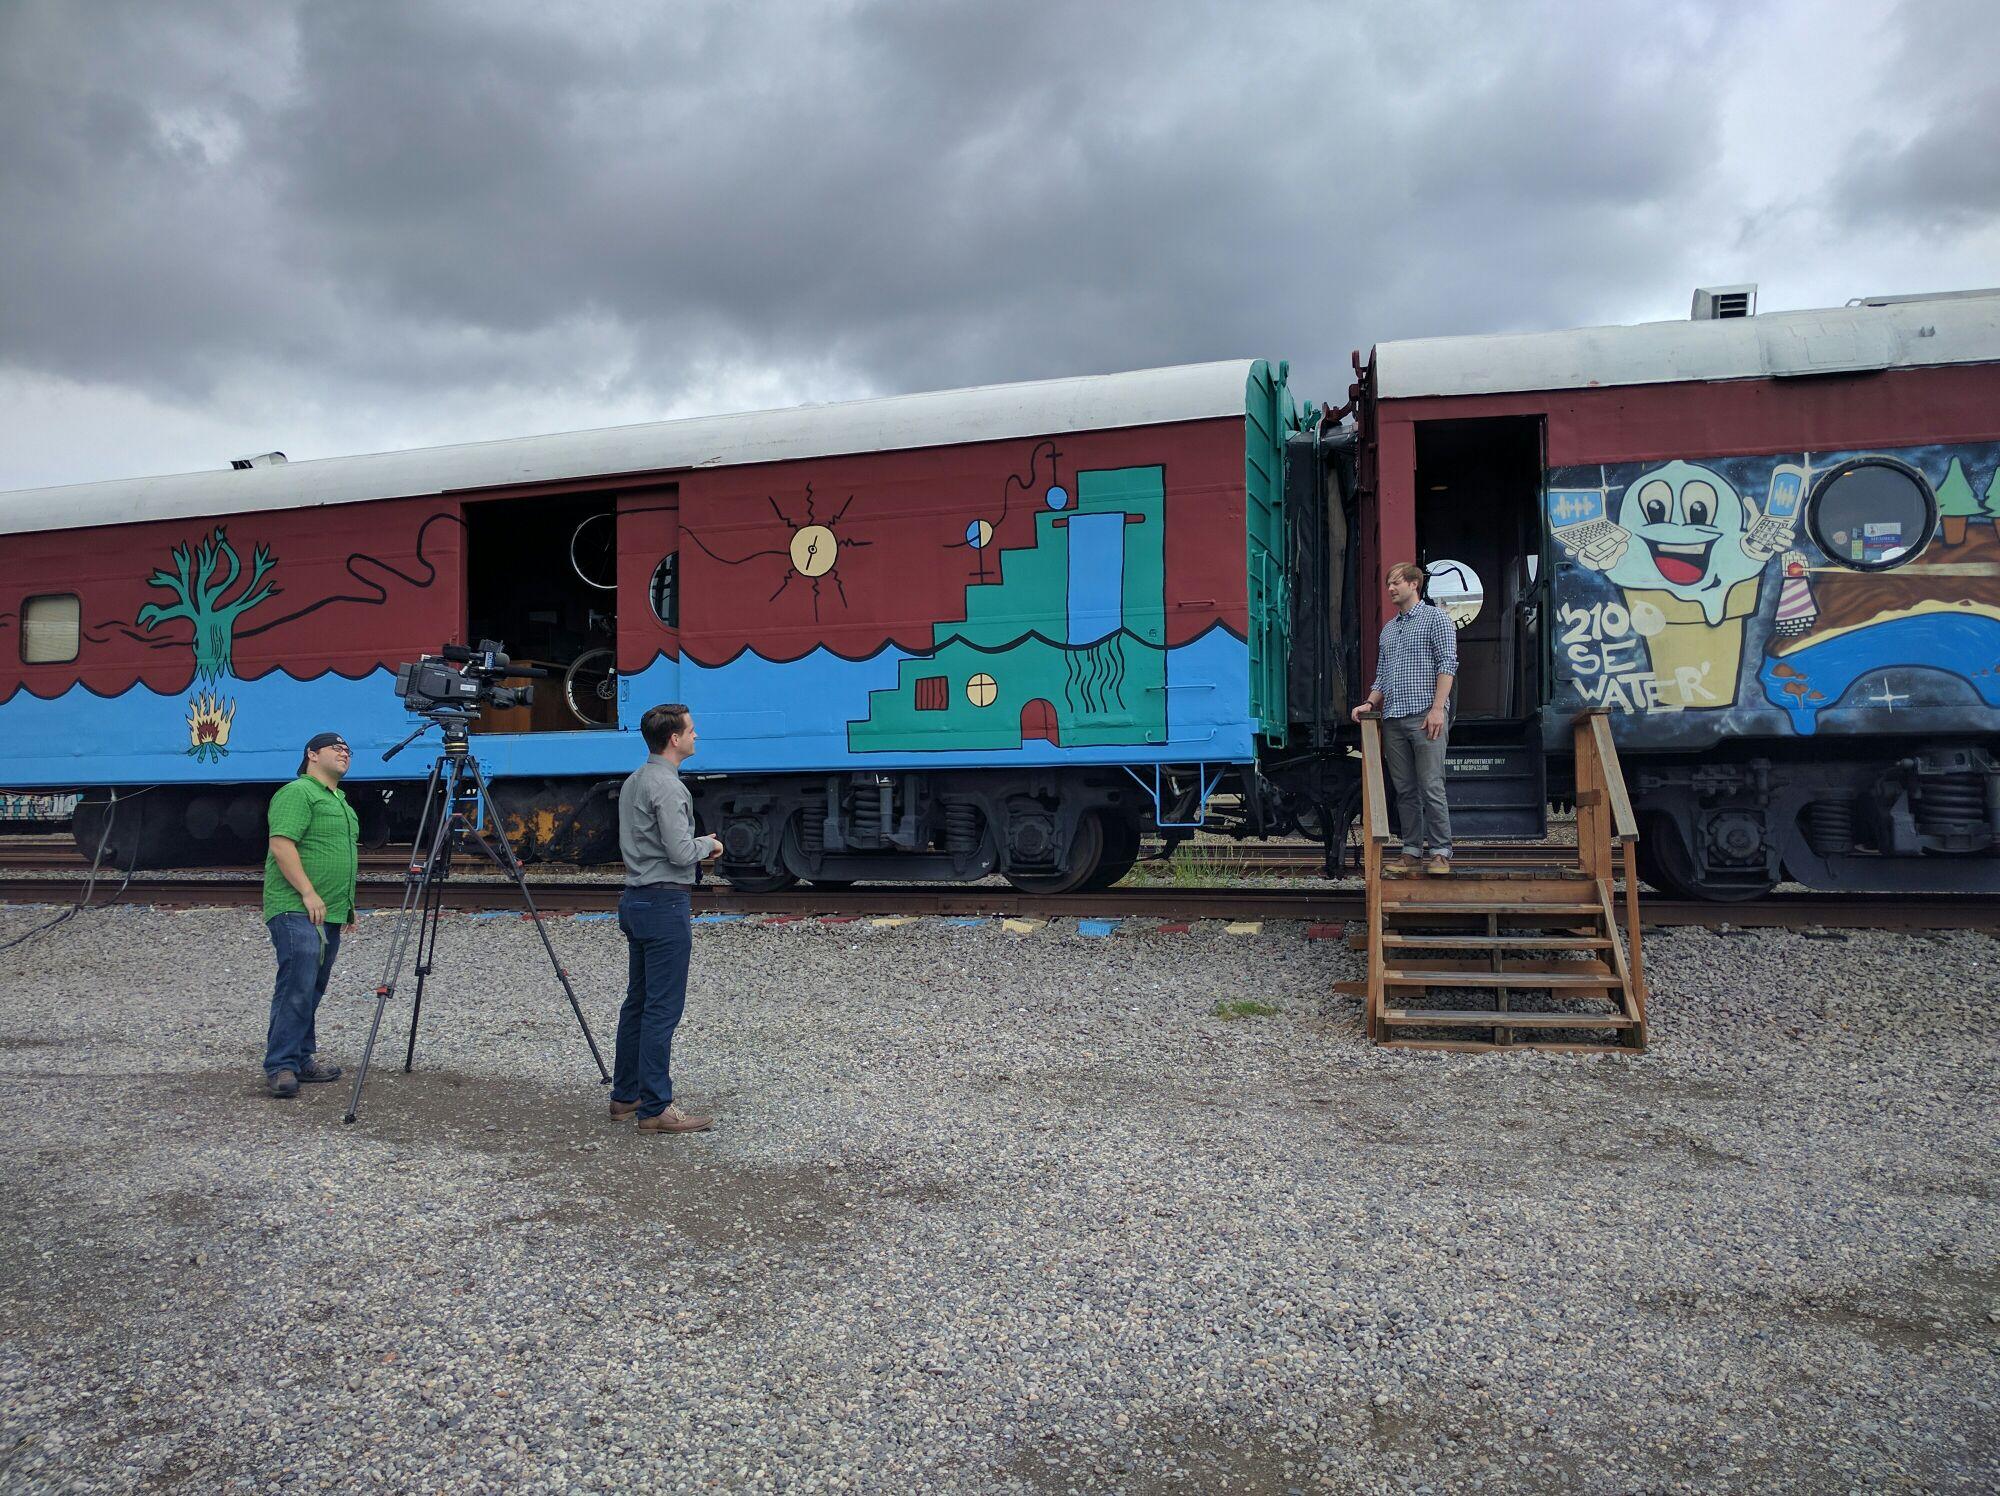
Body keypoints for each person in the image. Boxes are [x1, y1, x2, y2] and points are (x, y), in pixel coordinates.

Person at [610, 703, 723, 1134]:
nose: (696, 736)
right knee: (661, 1009)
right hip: (664, 904)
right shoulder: (670, 788)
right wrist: (709, 846)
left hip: (636, 900)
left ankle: (626, 1095)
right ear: (674, 739)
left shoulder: (635, 781)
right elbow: (678, 852)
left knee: (637, 1003)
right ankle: (656, 1108)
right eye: (691, 730)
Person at [262, 731, 359, 1097]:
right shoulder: (297, 793)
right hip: (295, 907)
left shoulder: (341, 802)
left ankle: (301, 1058)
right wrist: (307, 892)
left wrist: (347, 906)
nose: (344, 753)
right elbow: (281, 843)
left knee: (313, 986)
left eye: (348, 750)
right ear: (311, 755)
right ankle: (281, 1065)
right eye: (336, 748)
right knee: (298, 983)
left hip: (328, 911)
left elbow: (339, 856)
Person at [1351, 562, 1458, 874]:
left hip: (1426, 715)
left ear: (1414, 584)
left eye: (1396, 583)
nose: (1390, 589)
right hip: (1394, 718)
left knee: (1431, 785)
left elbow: (1447, 664)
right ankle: (1411, 851)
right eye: (1388, 584)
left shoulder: (1436, 619)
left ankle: (1440, 852)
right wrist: (1369, 703)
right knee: (1405, 789)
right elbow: (1382, 676)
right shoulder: (1389, 629)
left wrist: (1438, 709)